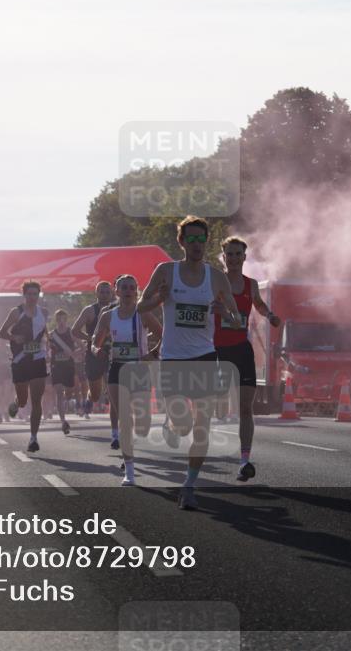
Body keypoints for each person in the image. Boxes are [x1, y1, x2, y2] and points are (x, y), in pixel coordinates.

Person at [139, 215, 242, 510]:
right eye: (191, 239)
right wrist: (159, 299)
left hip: (205, 358)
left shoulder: (217, 277)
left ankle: (189, 485)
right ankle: (172, 424)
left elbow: (238, 322)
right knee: (184, 425)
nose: (197, 244)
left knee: (202, 426)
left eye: (202, 239)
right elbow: (141, 307)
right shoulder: (166, 272)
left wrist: (225, 312)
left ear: (206, 242)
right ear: (182, 242)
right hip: (172, 359)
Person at [214, 236, 281, 482]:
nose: (232, 259)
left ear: (244, 257)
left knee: (245, 407)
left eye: (237, 254)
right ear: (224, 257)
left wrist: (270, 315)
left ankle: (244, 460)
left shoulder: (250, 285)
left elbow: (260, 305)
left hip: (241, 349)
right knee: (206, 404)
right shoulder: (214, 283)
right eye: (228, 254)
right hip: (215, 350)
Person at [92, 274, 162, 486]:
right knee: (124, 417)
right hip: (118, 368)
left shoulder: (143, 314)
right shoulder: (108, 315)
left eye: (132, 287)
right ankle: (129, 469)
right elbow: (96, 342)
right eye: (124, 287)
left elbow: (163, 334)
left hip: (139, 368)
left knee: (141, 421)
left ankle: (129, 448)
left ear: (137, 291)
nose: (129, 291)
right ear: (117, 291)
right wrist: (97, 350)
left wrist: (153, 353)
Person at [0, 280, 49, 451]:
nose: (32, 297)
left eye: (35, 294)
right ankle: (16, 403)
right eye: (29, 294)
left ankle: (33, 438)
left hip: (38, 360)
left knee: (36, 401)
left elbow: (44, 333)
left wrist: (48, 348)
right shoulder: (16, 312)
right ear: (24, 295)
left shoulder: (44, 312)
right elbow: (1, 332)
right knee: (23, 400)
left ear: (38, 295)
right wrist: (14, 338)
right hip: (20, 360)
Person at [73, 281, 121, 448]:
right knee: (95, 394)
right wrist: (91, 339)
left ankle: (116, 435)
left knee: (114, 394)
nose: (104, 294)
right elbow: (75, 330)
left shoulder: (118, 308)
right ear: (96, 293)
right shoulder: (89, 311)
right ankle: (89, 398)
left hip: (114, 354)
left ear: (112, 293)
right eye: (101, 291)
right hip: (94, 355)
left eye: (107, 291)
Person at [48, 309, 78, 435]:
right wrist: (47, 357)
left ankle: (68, 402)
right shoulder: (51, 335)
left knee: (69, 393)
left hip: (69, 366)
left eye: (63, 319)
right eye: (59, 319)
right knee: (59, 392)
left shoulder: (71, 332)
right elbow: (45, 349)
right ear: (56, 320)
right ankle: (63, 421)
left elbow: (82, 346)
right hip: (56, 366)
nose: (61, 321)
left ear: (66, 319)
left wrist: (73, 353)